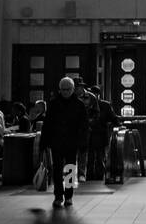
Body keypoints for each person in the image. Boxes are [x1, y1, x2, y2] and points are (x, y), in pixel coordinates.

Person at [41, 77, 89, 208]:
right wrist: (44, 142)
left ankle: (68, 196)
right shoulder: (54, 104)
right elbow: (47, 125)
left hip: (71, 142)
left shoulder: (79, 105)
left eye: (68, 89)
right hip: (57, 142)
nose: (66, 92)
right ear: (59, 90)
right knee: (57, 170)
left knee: (70, 170)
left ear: (73, 89)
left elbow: (84, 126)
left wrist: (83, 142)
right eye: (63, 90)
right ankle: (58, 195)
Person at [84, 87, 119, 183]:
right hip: (92, 136)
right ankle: (91, 176)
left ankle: (98, 176)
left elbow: (113, 118)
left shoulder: (105, 105)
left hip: (99, 135)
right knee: (91, 157)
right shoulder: (86, 105)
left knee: (99, 157)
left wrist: (116, 126)